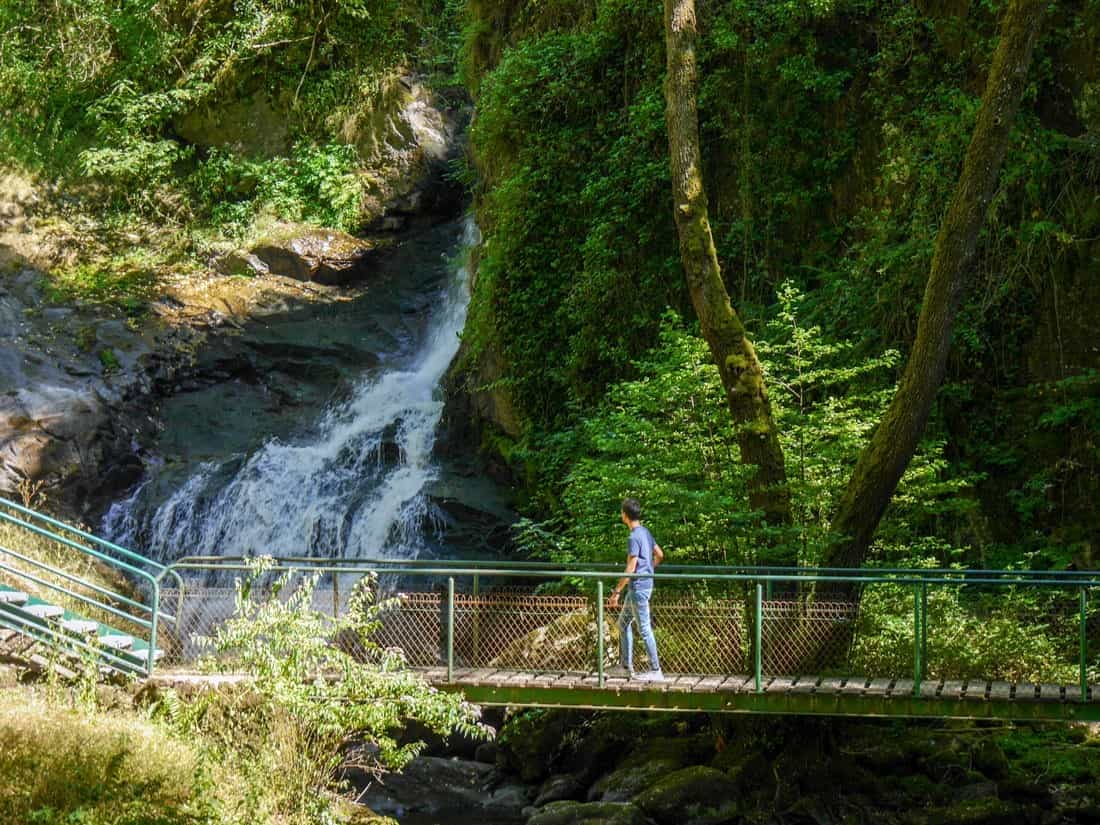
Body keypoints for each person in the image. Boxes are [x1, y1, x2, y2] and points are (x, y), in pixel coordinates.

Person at [607, 497, 664, 682]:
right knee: (623, 625)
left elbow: (631, 567)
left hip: (638, 588)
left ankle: (656, 670)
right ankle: (626, 667)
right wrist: (649, 570)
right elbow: (659, 554)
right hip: (641, 586)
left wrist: (616, 592)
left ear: (625, 515)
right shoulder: (646, 533)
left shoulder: (633, 537)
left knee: (645, 628)